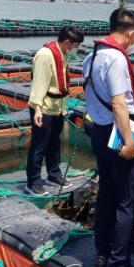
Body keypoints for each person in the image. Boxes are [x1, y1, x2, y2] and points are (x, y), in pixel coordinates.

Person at [82, 8, 134, 267]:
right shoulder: (117, 59)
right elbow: (120, 103)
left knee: (107, 193)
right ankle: (119, 264)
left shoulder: (92, 55)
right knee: (128, 199)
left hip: (98, 129)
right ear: (130, 33)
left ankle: (102, 254)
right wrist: (129, 142)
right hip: (118, 131)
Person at [25, 26, 84, 196]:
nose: (76, 49)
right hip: (44, 107)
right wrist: (37, 109)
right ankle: (33, 181)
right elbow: (39, 83)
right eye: (76, 45)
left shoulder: (62, 54)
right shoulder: (45, 55)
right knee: (39, 144)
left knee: (54, 143)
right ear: (68, 42)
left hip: (58, 107)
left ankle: (53, 174)